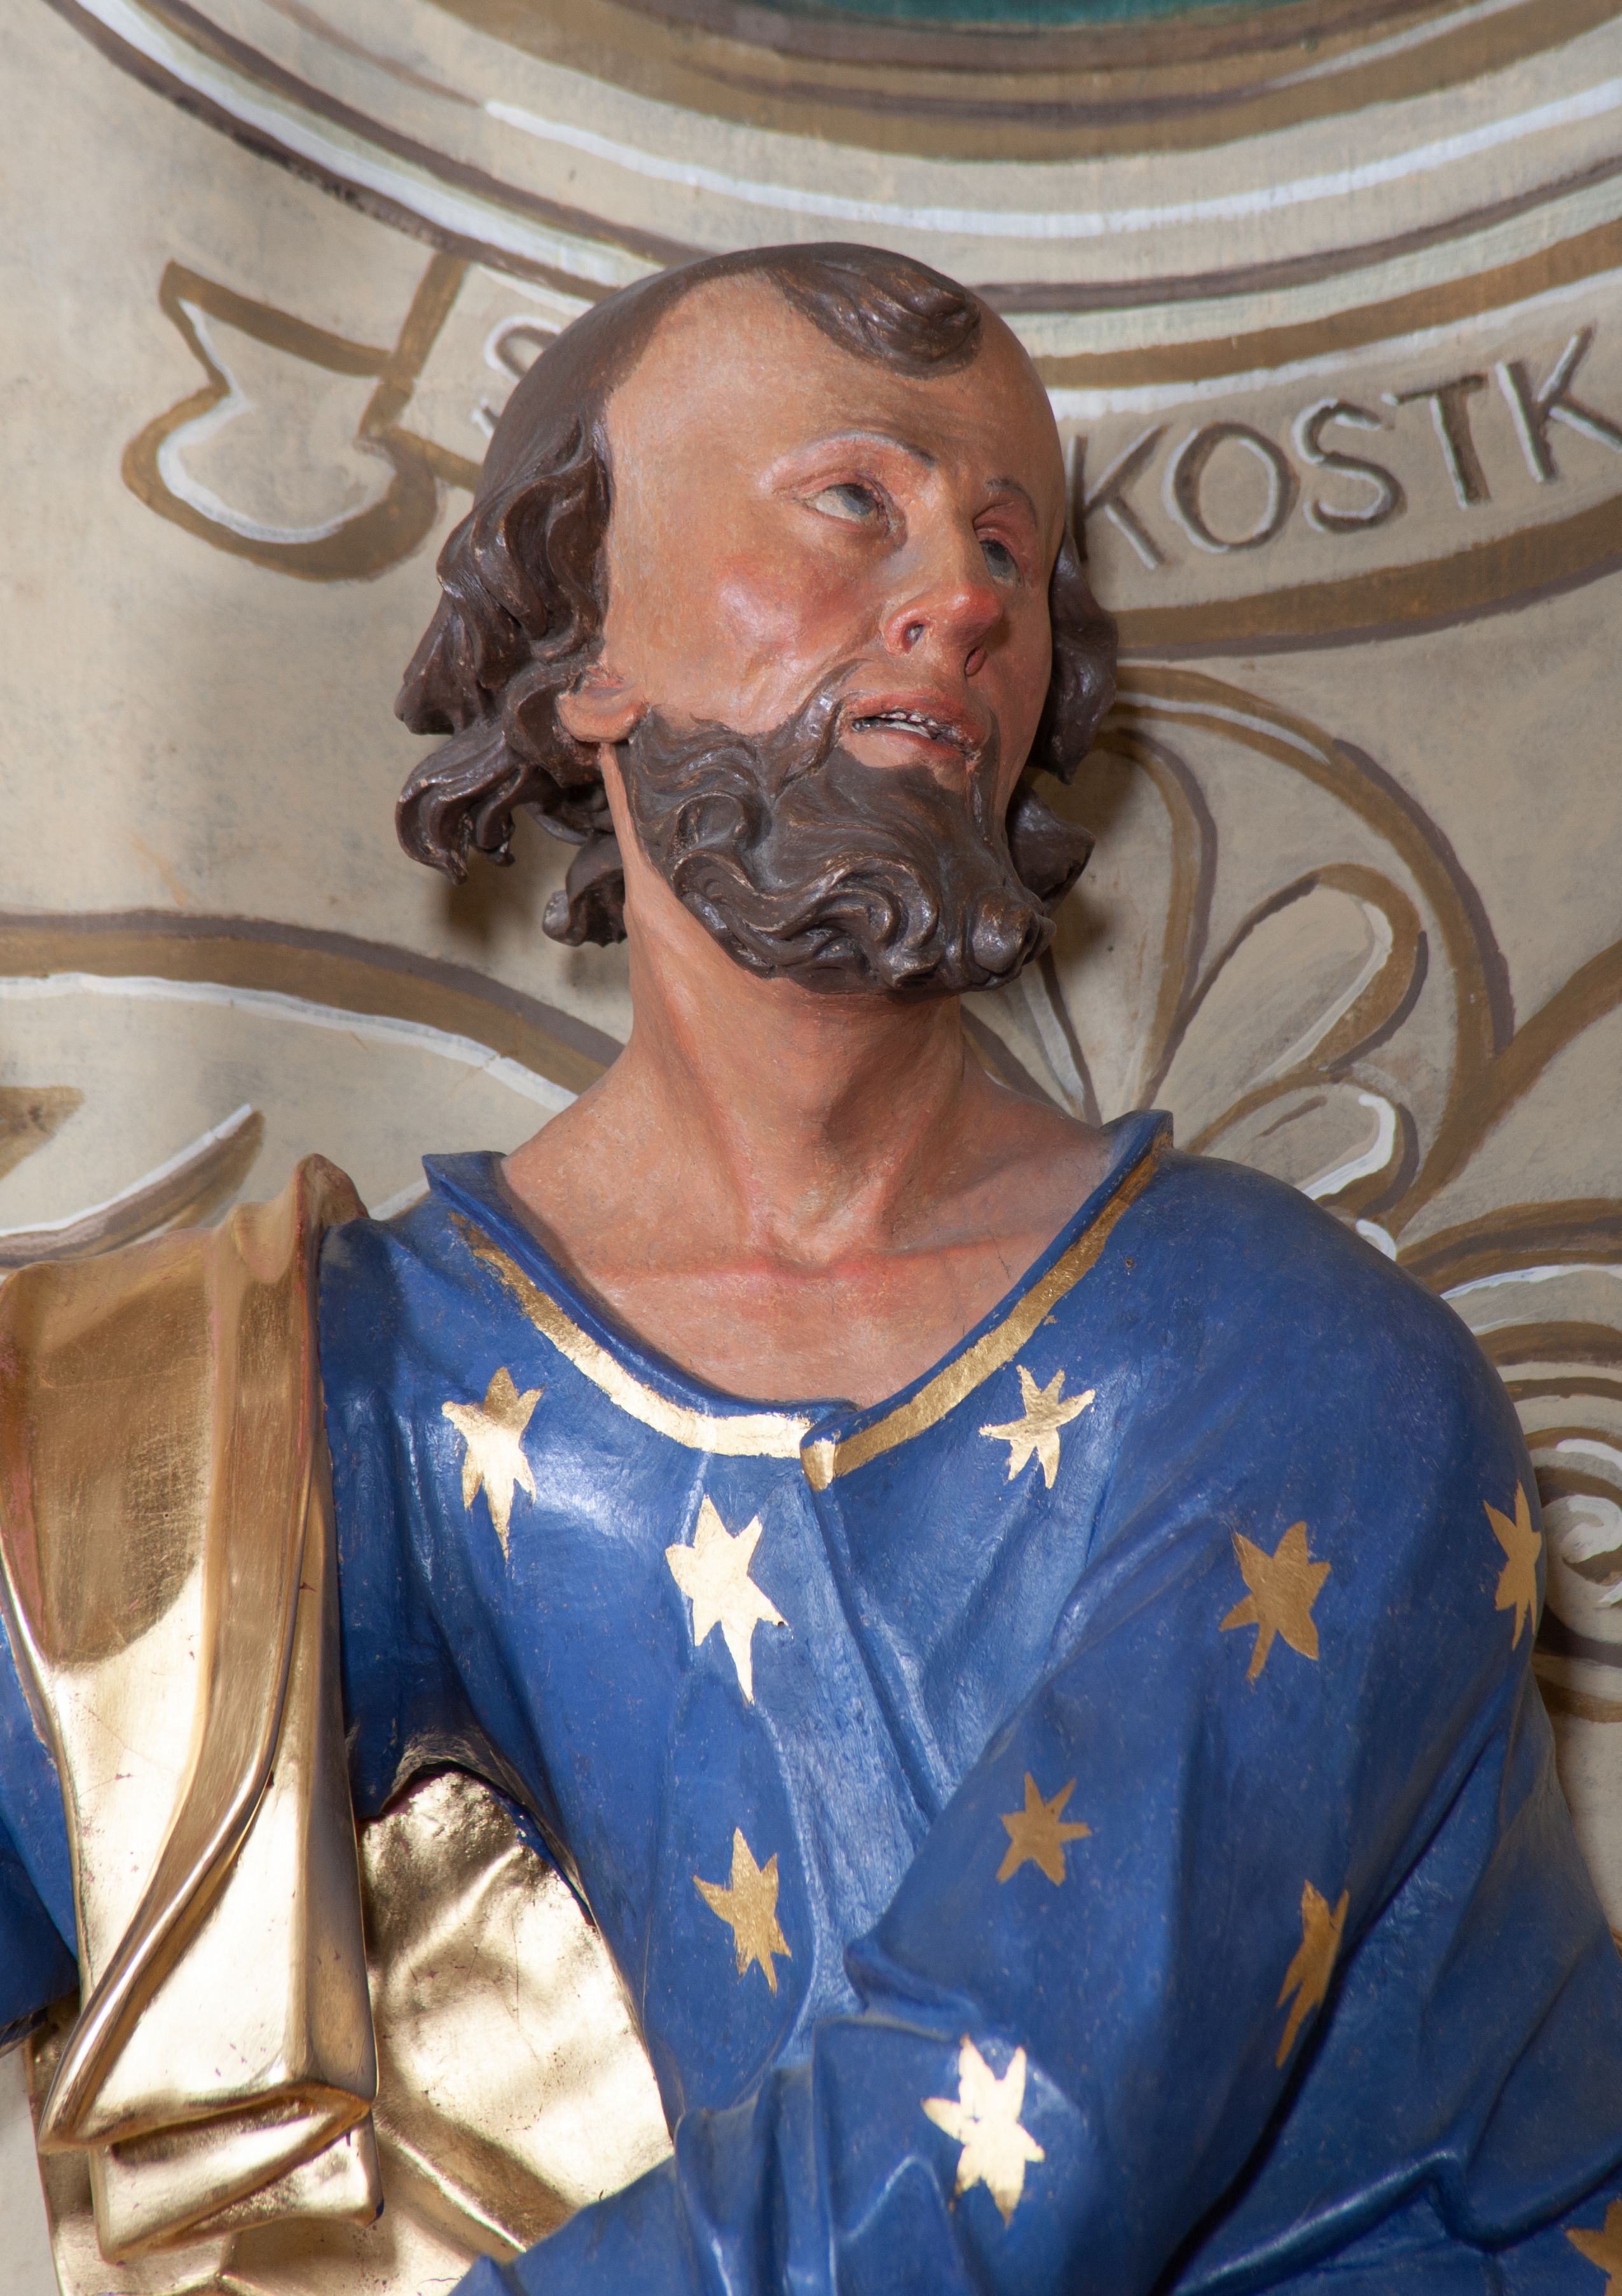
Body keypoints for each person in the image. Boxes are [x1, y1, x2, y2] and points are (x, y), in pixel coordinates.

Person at [4, 242, 1622, 2295]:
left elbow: (991, 2141)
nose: (966, 595)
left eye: (1011, 547)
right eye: (860, 501)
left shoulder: (1318, 1378)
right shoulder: (395, 1388)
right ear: (585, 648)